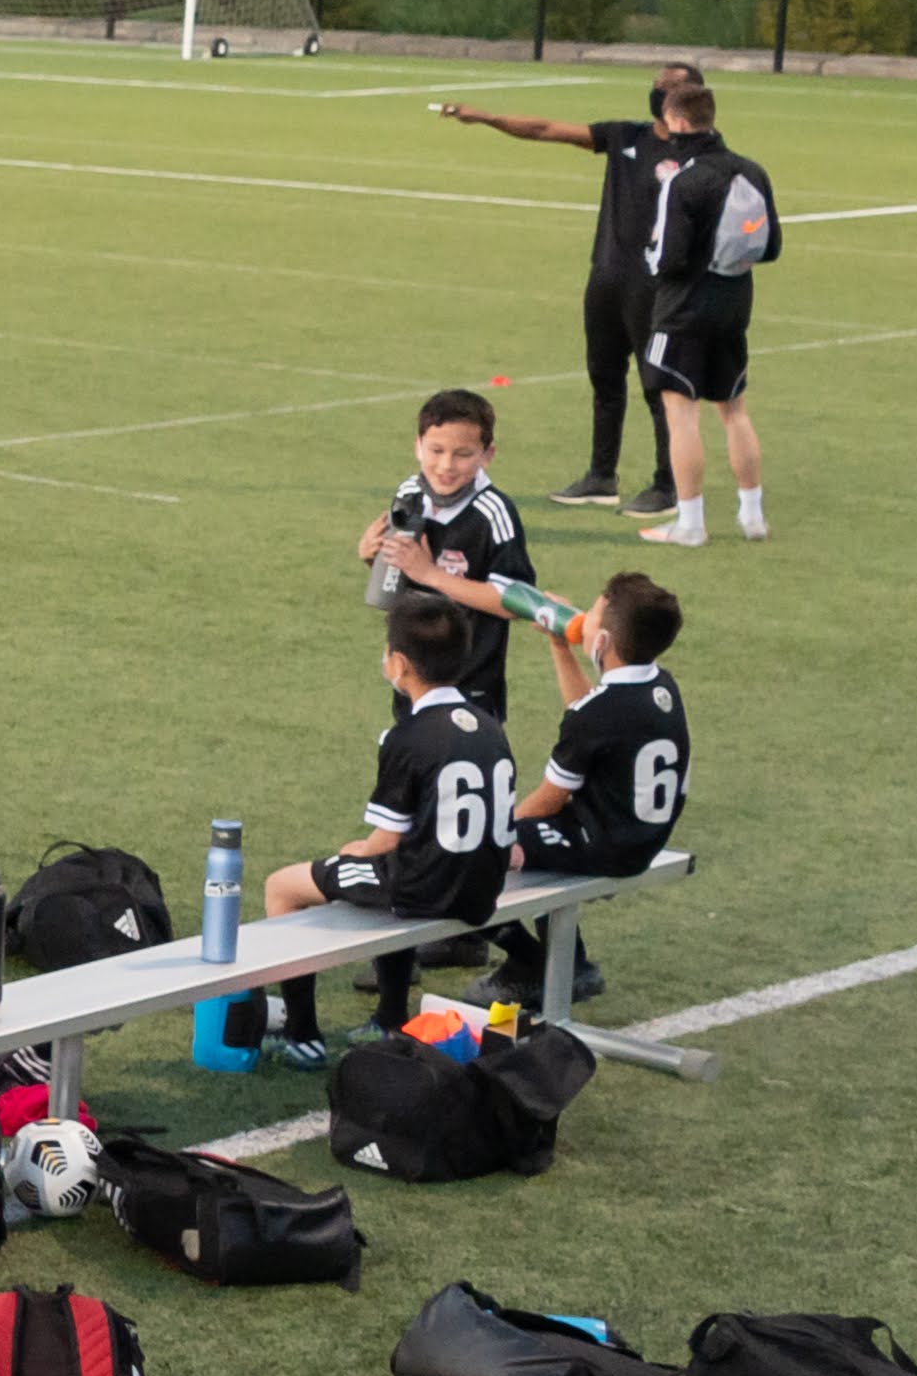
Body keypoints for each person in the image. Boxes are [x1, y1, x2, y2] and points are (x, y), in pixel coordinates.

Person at [255, 596, 514, 1068]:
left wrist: (357, 851)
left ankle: (301, 1036)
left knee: (283, 888)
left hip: (428, 887)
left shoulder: (408, 736)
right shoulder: (489, 726)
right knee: (390, 871)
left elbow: (386, 842)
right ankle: (389, 1018)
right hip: (483, 889)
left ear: (399, 664)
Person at [428, 61, 699, 512]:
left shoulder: (700, 153)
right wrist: (487, 117)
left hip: (658, 285)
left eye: (672, 86)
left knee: (658, 386)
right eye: (657, 84)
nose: (660, 92)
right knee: (604, 378)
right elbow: (547, 129)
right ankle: (601, 476)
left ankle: (667, 484)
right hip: (607, 277)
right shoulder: (625, 136)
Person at [488, 571, 691, 1008]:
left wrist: (499, 829)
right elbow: (594, 716)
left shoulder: (597, 715)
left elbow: (547, 800)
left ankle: (537, 962)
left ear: (602, 642)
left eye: (592, 614)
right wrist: (559, 645)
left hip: (607, 845)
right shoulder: (662, 684)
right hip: (640, 833)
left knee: (477, 850)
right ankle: (565, 960)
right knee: (534, 838)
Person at [635, 107, 782, 547]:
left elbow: (670, 259)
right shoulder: (752, 170)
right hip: (734, 304)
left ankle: (691, 523)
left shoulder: (685, 179)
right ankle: (752, 516)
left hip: (684, 309)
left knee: (681, 415)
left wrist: (650, 255)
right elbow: (771, 246)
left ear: (679, 121)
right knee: (734, 410)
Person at [356, 388, 541, 718]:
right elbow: (401, 578)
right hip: (412, 680)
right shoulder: (409, 493)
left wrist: (431, 575)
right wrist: (374, 556)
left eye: (463, 454)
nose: (446, 465)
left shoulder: (493, 513)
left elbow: (516, 601)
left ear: (487, 455)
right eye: (436, 450)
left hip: (471, 684)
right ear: (418, 446)